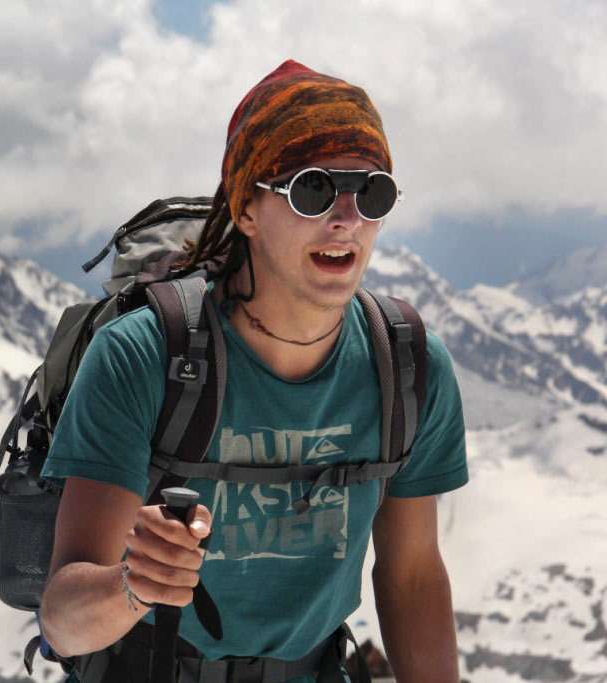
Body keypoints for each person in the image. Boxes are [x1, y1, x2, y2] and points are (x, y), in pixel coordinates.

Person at [38, 59, 468, 683]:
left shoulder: (409, 366)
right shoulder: (143, 354)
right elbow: (61, 620)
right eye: (313, 190)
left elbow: (413, 575)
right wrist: (134, 584)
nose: (346, 218)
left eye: (371, 192)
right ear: (245, 207)